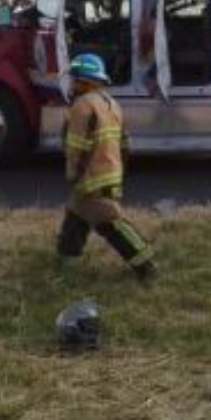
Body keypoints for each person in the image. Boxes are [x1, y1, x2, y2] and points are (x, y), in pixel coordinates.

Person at [57, 53, 157, 282]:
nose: (72, 84)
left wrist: (73, 173)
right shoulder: (112, 104)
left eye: (75, 80)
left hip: (91, 176)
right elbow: (125, 143)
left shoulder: (82, 106)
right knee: (75, 214)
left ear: (85, 81)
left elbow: (75, 147)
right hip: (110, 171)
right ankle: (66, 260)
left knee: (109, 221)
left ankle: (145, 263)